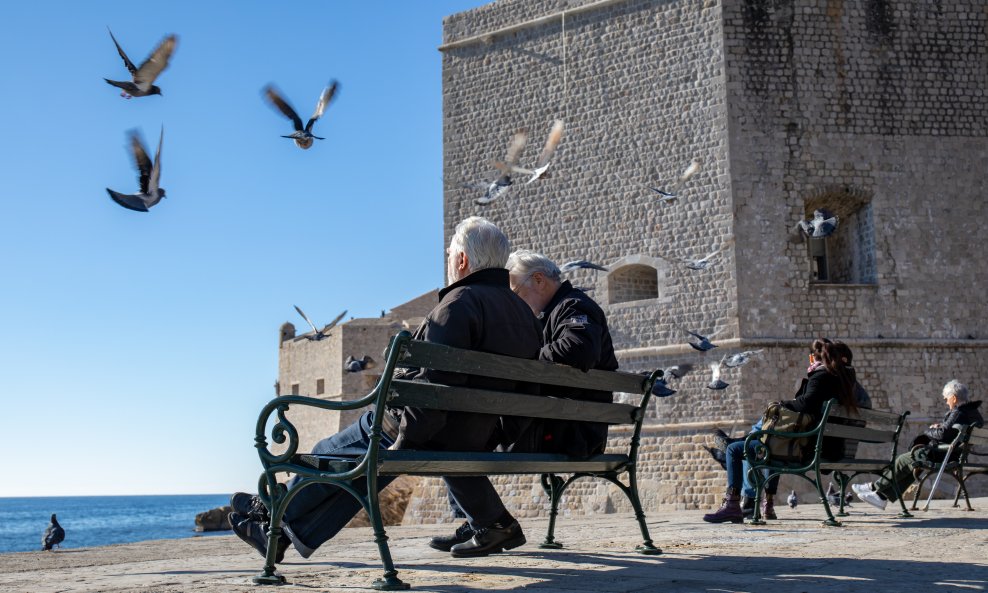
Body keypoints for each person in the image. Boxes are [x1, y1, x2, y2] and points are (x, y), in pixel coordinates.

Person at [229, 216, 543, 561]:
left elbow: (432, 388)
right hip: (473, 434)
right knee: (362, 471)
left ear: (463, 260)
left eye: (451, 255)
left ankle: (270, 509)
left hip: (429, 428)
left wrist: (404, 438)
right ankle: (277, 532)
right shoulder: (525, 315)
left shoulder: (458, 305)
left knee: (328, 453)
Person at [428, 249, 620, 552]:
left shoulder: (573, 306)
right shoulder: (558, 310)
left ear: (539, 280)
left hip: (568, 434)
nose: (513, 300)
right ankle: (481, 519)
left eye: (515, 290)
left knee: (447, 439)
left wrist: (524, 358)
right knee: (460, 433)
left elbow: (579, 349)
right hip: (559, 425)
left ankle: (490, 523)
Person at [705, 340, 871, 518]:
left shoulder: (823, 377)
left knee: (742, 448)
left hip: (808, 448)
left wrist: (782, 404)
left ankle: (735, 504)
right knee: (767, 439)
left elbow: (807, 403)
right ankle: (758, 497)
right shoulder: (850, 386)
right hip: (833, 448)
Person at [852, 379, 984, 510]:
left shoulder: (958, 412)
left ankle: (875, 488)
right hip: (955, 455)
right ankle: (881, 497)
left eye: (946, 399)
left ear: (954, 398)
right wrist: (942, 426)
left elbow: (943, 434)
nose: (946, 401)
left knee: (902, 460)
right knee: (912, 465)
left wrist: (930, 430)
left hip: (943, 455)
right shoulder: (972, 413)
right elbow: (951, 432)